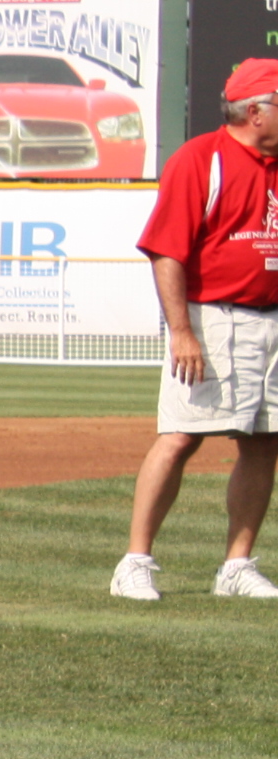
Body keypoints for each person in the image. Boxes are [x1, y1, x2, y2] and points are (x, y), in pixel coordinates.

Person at [111, 58, 278, 600]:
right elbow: (166, 251)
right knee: (181, 436)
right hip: (214, 319)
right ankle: (134, 561)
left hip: (273, 320)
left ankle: (236, 566)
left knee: (264, 442)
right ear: (254, 111)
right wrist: (181, 330)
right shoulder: (200, 159)